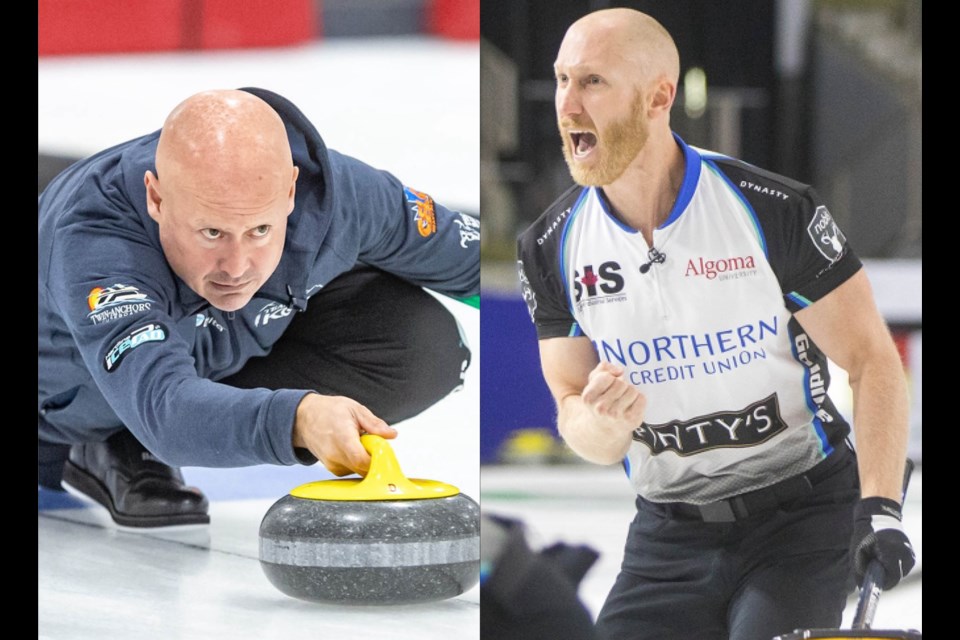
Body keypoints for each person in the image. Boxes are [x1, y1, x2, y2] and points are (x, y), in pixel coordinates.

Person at [516, 9, 914, 640]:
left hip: (801, 517)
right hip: (667, 533)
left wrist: (882, 510)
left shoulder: (769, 210)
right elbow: (578, 419)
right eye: (562, 79)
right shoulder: (549, 247)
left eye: (592, 81)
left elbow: (872, 361)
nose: (567, 104)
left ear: (658, 97)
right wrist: (599, 423)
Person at [39, 87, 479, 528]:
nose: (237, 267)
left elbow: (479, 264)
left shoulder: (339, 194)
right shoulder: (95, 240)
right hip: (67, 408)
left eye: (260, 229)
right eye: (212, 232)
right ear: (156, 198)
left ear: (289, 189)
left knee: (426, 347)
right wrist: (298, 419)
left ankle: (156, 430)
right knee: (159, 406)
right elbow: (164, 407)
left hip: (193, 362)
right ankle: (121, 435)